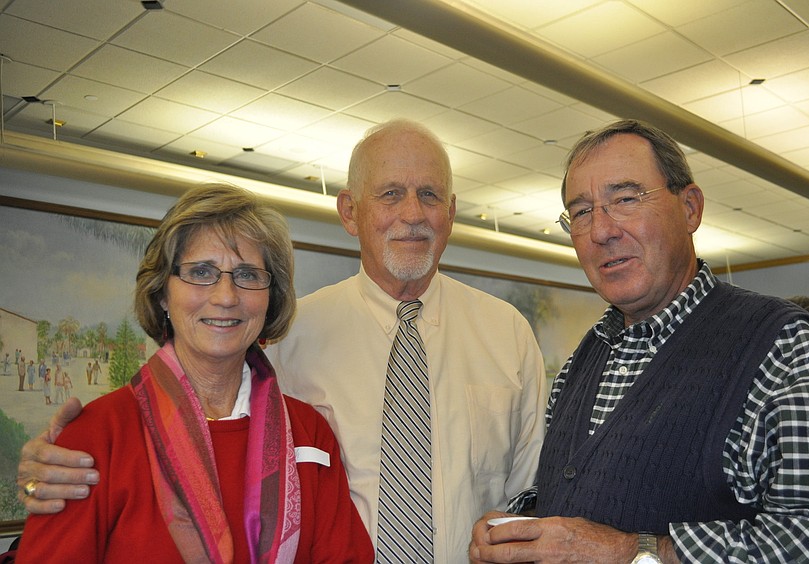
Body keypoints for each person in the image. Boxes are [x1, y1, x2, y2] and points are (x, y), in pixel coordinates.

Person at [16, 119, 547, 562]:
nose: (412, 214)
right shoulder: (293, 339)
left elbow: (533, 496)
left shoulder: (508, 336)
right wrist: (47, 467)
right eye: (390, 194)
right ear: (349, 212)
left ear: (451, 211)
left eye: (428, 194)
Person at [470, 119, 809, 563]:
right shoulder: (585, 358)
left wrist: (636, 553)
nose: (600, 231)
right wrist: (521, 526)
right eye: (581, 212)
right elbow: (581, 492)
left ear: (690, 208)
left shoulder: (783, 346)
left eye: (626, 199)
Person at [16, 184, 373, 562]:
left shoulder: (309, 433)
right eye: (201, 271)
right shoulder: (97, 436)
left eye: (248, 275)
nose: (225, 296)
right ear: (162, 294)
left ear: (271, 301)